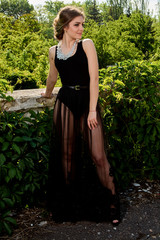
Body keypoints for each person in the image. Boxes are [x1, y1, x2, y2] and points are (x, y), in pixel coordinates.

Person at [41, 6, 120, 225]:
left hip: (87, 102)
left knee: (98, 156)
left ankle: (112, 205)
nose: (81, 28)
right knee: (66, 157)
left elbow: (94, 79)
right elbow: (53, 76)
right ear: (65, 26)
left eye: (82, 24)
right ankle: (68, 206)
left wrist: (93, 110)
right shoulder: (53, 51)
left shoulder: (87, 45)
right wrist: (47, 93)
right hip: (65, 102)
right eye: (77, 24)